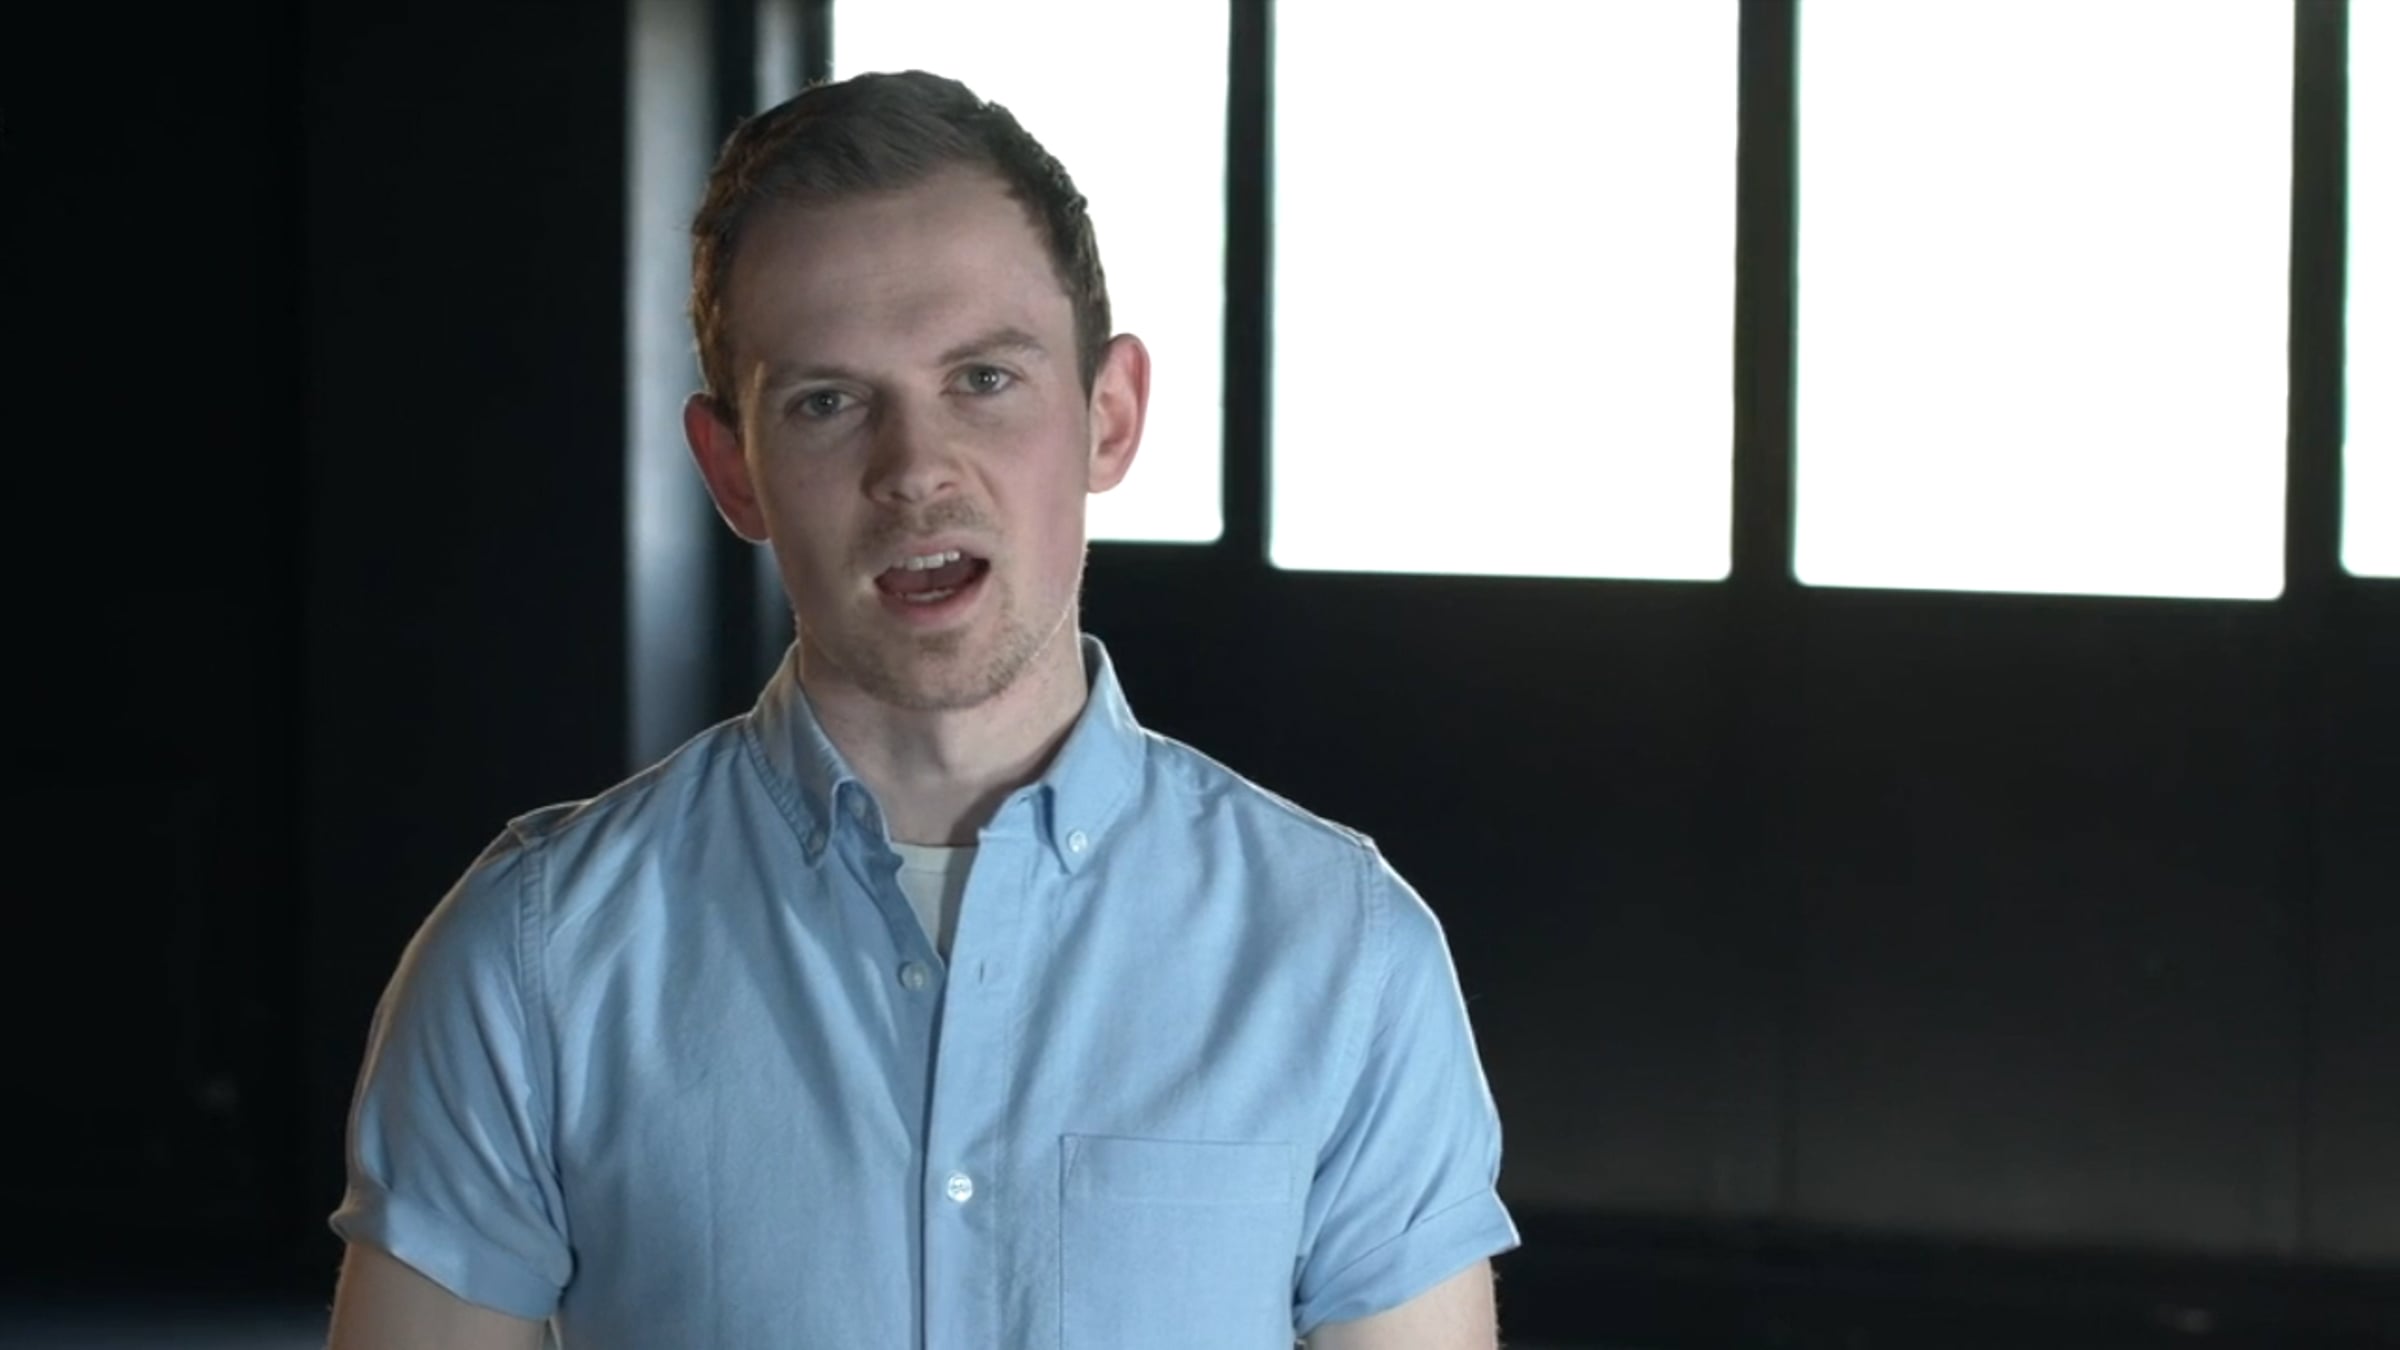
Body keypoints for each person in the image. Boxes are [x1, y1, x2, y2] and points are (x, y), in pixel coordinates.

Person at [324, 69, 1517, 1349]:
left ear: (1110, 415)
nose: (914, 471)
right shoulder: (533, 958)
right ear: (733, 469)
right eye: (828, 402)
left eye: (983, 379)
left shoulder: (1345, 954)